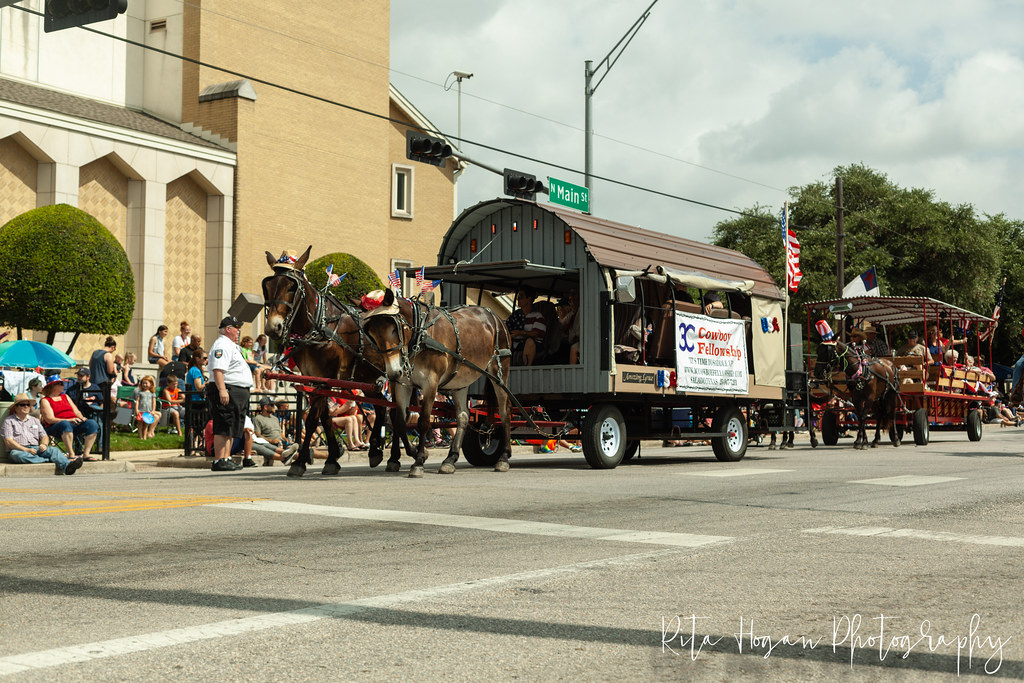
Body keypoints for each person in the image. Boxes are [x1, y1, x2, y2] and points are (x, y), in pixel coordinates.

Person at [207, 315, 253, 472]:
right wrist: (222, 390)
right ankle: (219, 459)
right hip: (228, 389)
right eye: (236, 327)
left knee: (231, 426)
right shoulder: (222, 345)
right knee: (224, 424)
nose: (239, 331)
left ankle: (226, 458)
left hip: (236, 390)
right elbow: (218, 369)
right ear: (228, 329)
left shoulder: (231, 345)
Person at [2, 393, 83, 475]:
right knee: (16, 455)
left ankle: (68, 467)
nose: (26, 406)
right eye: (22, 405)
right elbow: (9, 441)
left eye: (28, 404)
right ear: (15, 407)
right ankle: (47, 459)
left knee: (53, 450)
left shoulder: (34, 420)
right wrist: (26, 450)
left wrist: (44, 444)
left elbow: (44, 436)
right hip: (20, 450)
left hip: (36, 449)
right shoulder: (9, 421)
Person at [39, 374, 98, 459]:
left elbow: (76, 411)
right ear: (53, 386)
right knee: (65, 424)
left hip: (73, 423)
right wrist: (69, 420)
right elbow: (49, 419)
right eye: (61, 384)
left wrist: (81, 418)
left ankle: (86, 454)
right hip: (56, 426)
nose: (63, 385)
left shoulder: (65, 396)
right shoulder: (45, 400)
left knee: (92, 424)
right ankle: (71, 454)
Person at [252, 397, 300, 465]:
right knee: (294, 451)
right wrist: (271, 440)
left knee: (298, 448)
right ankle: (292, 456)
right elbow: (258, 434)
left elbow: (280, 432)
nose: (274, 407)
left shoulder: (275, 418)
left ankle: (291, 453)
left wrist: (286, 440)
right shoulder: (258, 419)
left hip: (281, 441)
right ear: (265, 407)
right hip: (271, 442)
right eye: (272, 405)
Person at [507, 288, 545, 366]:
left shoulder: (537, 316)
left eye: (520, 296)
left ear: (529, 299)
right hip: (515, 344)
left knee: (529, 341)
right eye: (517, 297)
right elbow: (507, 327)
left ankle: (527, 368)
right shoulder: (515, 315)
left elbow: (537, 334)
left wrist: (520, 333)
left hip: (533, 346)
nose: (518, 299)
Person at [133, 375, 162, 440]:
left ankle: (145, 437)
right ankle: (140, 437)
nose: (144, 385)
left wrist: (153, 410)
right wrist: (137, 409)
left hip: (148, 411)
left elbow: (154, 403)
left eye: (146, 383)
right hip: (141, 410)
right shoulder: (140, 393)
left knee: (146, 425)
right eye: (143, 383)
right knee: (140, 424)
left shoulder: (152, 393)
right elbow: (137, 401)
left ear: (151, 384)